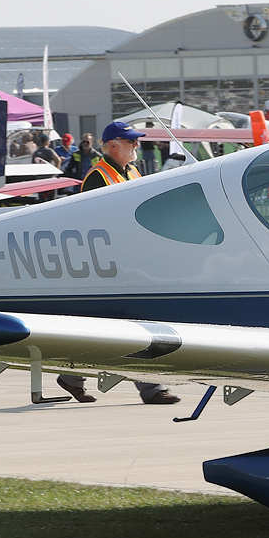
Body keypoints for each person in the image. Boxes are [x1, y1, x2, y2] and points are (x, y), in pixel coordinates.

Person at [56, 120, 180, 405]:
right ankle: (152, 389)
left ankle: (71, 377)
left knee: (105, 326)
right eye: (131, 141)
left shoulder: (131, 170)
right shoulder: (98, 177)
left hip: (131, 261)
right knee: (136, 326)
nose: (137, 145)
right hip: (111, 265)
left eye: (136, 140)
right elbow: (93, 226)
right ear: (113, 146)